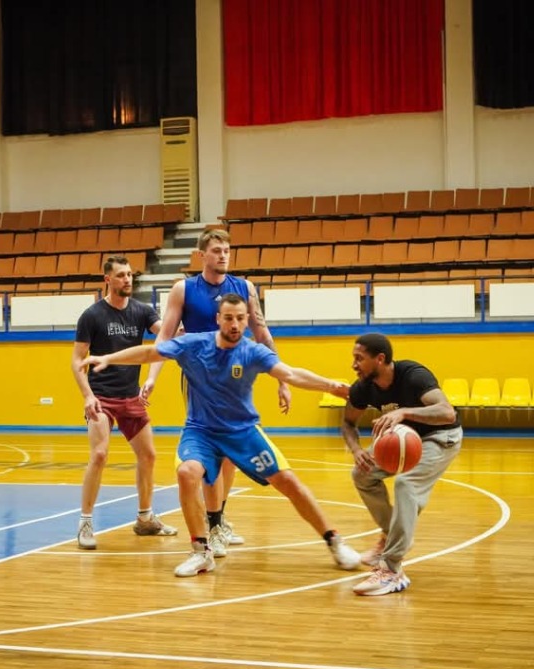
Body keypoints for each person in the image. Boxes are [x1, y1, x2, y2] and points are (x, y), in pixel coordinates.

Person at [80, 293, 361, 578]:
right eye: (228, 318)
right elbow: (150, 353)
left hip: (242, 431)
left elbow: (290, 374)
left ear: (247, 320)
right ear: (218, 319)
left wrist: (330, 386)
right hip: (200, 431)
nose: (234, 324)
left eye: (240, 318)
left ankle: (334, 540)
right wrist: (108, 357)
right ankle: (201, 552)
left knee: (288, 482)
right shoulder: (194, 345)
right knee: (187, 473)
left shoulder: (253, 352)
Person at [145, 227, 291, 555]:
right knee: (212, 449)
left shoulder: (244, 287)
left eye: (226, 250)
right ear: (202, 255)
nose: (223, 255)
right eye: (216, 250)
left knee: (231, 454)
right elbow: (164, 337)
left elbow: (262, 332)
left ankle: (218, 520)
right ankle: (213, 526)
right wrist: (152, 377)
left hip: (237, 377)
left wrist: (281, 379)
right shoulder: (184, 289)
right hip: (200, 379)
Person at [339, 333, 462, 596]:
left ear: (380, 359)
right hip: (402, 440)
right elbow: (348, 422)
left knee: (406, 484)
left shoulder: (413, 375)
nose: (354, 365)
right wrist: (357, 449)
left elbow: (447, 412)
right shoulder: (363, 387)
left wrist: (404, 412)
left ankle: (391, 570)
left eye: (359, 358)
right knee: (361, 474)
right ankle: (391, 537)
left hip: (441, 437)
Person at [71, 255, 177, 549]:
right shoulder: (92, 315)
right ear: (107, 279)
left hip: (131, 396)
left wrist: (185, 328)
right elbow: (77, 361)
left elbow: (165, 336)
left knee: (149, 455)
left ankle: (145, 519)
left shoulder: (142, 311)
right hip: (101, 397)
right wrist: (88, 396)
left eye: (129, 274)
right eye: (120, 275)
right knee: (99, 455)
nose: (127, 279)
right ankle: (85, 523)